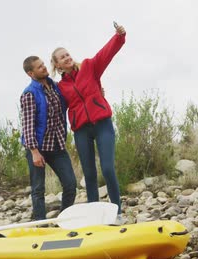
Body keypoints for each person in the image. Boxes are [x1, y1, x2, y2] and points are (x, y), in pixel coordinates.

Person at [50, 23, 126, 219]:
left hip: (102, 125)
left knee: (108, 169)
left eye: (67, 54)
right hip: (81, 131)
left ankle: (117, 212)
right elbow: (55, 108)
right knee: (90, 175)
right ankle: (94, 216)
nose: (67, 58)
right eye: (62, 57)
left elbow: (105, 54)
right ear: (57, 65)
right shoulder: (60, 88)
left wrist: (119, 36)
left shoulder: (89, 67)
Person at [20, 55, 77, 221]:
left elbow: (73, 96)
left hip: (57, 146)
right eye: (39, 67)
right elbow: (28, 125)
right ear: (31, 73)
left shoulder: (55, 87)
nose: (44, 68)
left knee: (70, 185)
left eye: (43, 64)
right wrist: (34, 152)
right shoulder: (29, 94)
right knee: (38, 190)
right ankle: (41, 226)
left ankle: (62, 221)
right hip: (38, 148)